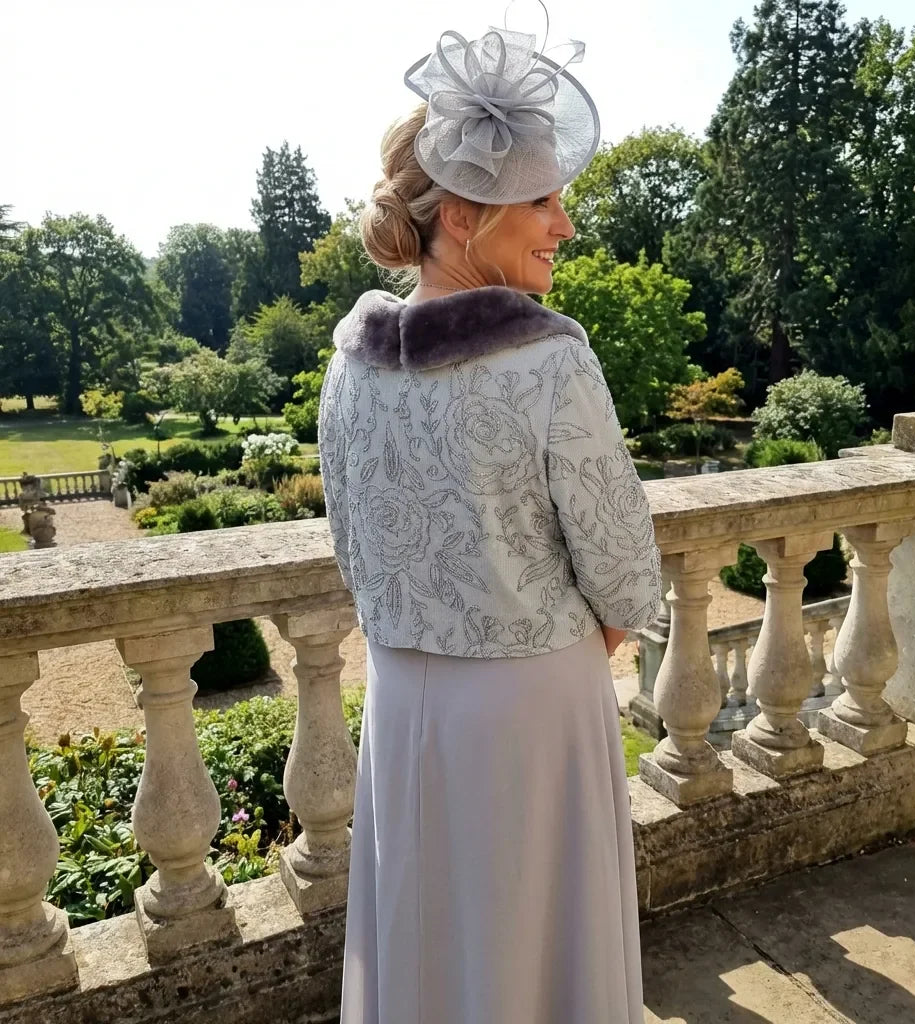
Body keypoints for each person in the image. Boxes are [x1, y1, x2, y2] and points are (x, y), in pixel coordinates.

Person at [320, 10, 662, 1022]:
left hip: (401, 700)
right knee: (539, 959)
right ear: (464, 214)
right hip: (530, 712)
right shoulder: (549, 355)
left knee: (425, 946)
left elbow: (355, 549)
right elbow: (628, 576)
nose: (564, 223)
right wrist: (558, 643)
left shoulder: (345, 360)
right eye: (544, 199)